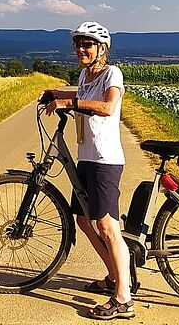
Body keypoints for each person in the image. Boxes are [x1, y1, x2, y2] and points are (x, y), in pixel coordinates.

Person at [41, 21, 133, 320]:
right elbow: (80, 91)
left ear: (101, 49)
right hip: (87, 157)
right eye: (78, 44)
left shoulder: (112, 73)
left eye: (87, 44)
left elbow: (107, 106)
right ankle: (113, 276)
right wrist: (53, 91)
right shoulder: (85, 74)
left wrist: (70, 101)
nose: (81, 49)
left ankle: (124, 299)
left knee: (107, 226)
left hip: (105, 160)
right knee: (82, 219)